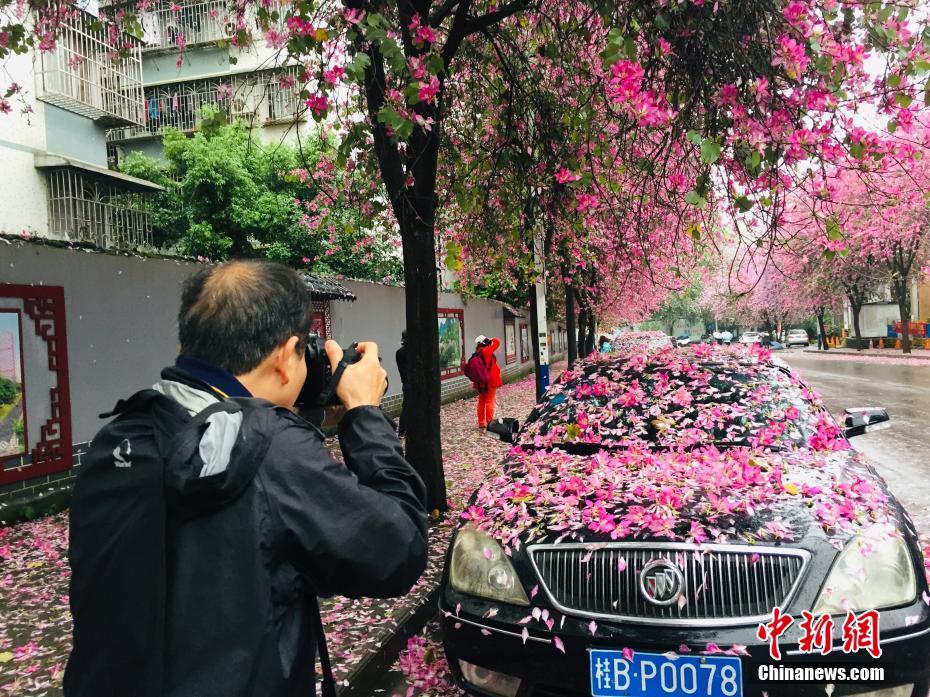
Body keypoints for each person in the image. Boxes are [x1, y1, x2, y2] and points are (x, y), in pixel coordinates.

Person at [65, 261, 429, 697]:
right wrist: (365, 415)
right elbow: (399, 547)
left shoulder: (118, 440)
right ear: (283, 357)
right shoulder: (271, 451)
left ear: (187, 341)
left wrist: (298, 421)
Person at [465, 335, 502, 429]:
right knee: (490, 401)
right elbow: (497, 342)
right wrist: (492, 339)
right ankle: (489, 422)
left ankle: (481, 422)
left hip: (480, 382)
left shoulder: (477, 352)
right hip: (490, 381)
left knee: (481, 402)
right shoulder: (487, 351)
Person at [396, 330, 408, 438]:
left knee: (406, 407)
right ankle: (403, 430)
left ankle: (402, 431)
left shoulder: (399, 352)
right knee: (407, 407)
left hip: (406, 383)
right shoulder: (404, 353)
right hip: (410, 383)